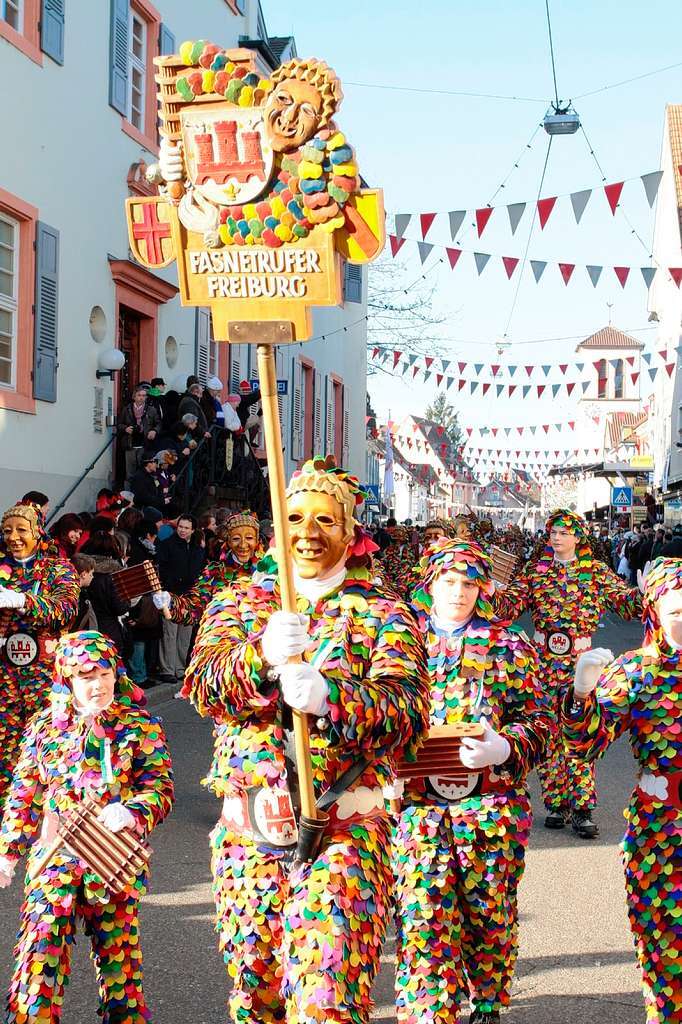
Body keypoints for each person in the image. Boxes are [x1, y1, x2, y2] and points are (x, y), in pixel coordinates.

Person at [182, 455, 430, 1024]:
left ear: (350, 532)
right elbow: (204, 687)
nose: (309, 534)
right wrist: (258, 656)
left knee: (324, 998)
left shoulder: (385, 614)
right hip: (250, 837)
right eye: (296, 519)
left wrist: (329, 697)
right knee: (256, 999)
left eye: (325, 520)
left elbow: (407, 710)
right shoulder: (239, 602)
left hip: (341, 831)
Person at [391, 540, 551, 1024]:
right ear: (430, 585)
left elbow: (540, 721)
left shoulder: (508, 643)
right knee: (422, 915)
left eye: (469, 583)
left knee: (489, 911)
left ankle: (487, 1001)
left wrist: (505, 747)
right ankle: (429, 1010)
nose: (458, 592)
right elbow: (376, 714)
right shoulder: (402, 644)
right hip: (418, 807)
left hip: (489, 806)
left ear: (482, 589)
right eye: (448, 581)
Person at [0, 631, 174, 1023]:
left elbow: (160, 787)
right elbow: (25, 791)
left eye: (103, 674)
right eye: (85, 677)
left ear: (116, 674)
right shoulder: (45, 727)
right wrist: (7, 851)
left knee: (120, 966)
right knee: (39, 952)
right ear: (67, 681)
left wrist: (133, 810)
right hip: (56, 855)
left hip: (112, 859)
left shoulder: (140, 726)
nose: (96, 685)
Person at [563, 558, 682, 1024]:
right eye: (676, 612)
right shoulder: (637, 671)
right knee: (664, 948)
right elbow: (586, 744)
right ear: (654, 612)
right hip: (660, 832)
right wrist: (581, 696)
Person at [494, 508, 641, 838]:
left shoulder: (594, 573)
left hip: (580, 664)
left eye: (563, 532)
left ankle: (582, 806)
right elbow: (508, 608)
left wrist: (644, 594)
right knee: (549, 732)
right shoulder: (537, 572)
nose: (556, 537)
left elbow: (626, 604)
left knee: (579, 732)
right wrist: (490, 591)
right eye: (553, 533)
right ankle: (556, 803)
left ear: (577, 537)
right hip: (545, 661)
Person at [0, 502, 79, 809]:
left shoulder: (57, 568)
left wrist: (24, 600)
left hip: (44, 670)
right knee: (4, 739)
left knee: (46, 734)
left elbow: (66, 609)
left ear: (37, 532)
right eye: (8, 531)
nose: (14, 537)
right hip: (5, 671)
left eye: (22, 530)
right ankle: (10, 803)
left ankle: (48, 799)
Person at [155, 514, 205, 686]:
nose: (182, 530)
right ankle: (167, 669)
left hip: (190, 595)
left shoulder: (197, 548)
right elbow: (163, 567)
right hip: (171, 593)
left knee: (185, 634)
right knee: (170, 632)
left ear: (192, 530)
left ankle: (180, 667)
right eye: (180, 527)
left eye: (186, 528)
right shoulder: (167, 544)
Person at [118, 386, 161, 484]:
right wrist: (125, 428)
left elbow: (159, 423)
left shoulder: (151, 410)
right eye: (139, 395)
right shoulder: (127, 409)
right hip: (130, 444)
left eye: (144, 396)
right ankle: (129, 497)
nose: (141, 398)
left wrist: (154, 431)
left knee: (144, 471)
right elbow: (119, 424)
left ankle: (141, 494)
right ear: (134, 397)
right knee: (130, 473)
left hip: (145, 444)